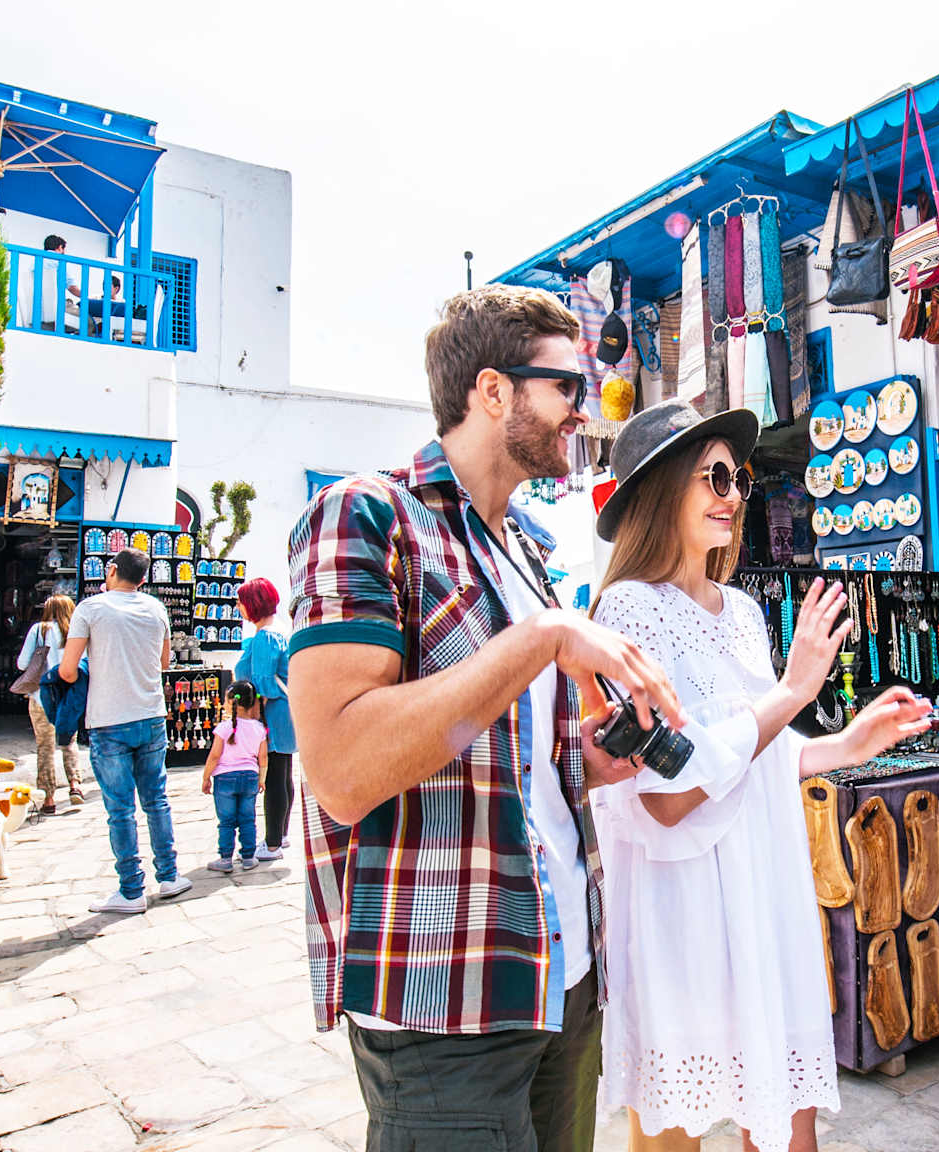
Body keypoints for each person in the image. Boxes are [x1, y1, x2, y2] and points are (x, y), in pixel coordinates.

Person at [287, 284, 684, 1152]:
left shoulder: (529, 553)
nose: (583, 412)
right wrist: (542, 636)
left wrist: (582, 761)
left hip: (563, 979)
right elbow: (343, 770)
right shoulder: (367, 514)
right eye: (567, 388)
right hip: (445, 1003)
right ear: (493, 392)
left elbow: (485, 752)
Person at [587, 403, 933, 1152]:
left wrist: (844, 743)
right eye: (712, 475)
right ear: (661, 489)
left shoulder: (742, 611)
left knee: (785, 1122)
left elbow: (754, 754)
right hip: (683, 909)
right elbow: (670, 795)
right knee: (672, 1132)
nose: (732, 493)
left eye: (736, 476)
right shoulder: (627, 610)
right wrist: (792, 693)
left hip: (764, 893)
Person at [61, 547, 191, 914]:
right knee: (156, 800)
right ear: (144, 579)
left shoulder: (91, 608)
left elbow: (68, 670)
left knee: (120, 810)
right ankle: (168, 876)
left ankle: (131, 890)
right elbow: (164, 662)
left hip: (109, 719)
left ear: (113, 570)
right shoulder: (156, 609)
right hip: (150, 714)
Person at [234, 577, 295, 859]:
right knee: (283, 774)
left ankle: (271, 843)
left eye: (241, 602)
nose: (238, 607)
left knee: (273, 776)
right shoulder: (280, 630)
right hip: (285, 712)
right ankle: (280, 836)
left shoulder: (264, 637)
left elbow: (263, 682)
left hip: (272, 713)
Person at [17, 594, 83, 815]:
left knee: (45, 747)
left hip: (40, 695)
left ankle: (48, 798)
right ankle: (75, 785)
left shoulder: (39, 630)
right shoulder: (75, 630)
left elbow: (22, 663)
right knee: (69, 741)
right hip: (68, 695)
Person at [201, 680, 268, 873]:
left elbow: (214, 756)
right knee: (248, 818)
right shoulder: (259, 728)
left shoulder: (223, 728)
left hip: (225, 779)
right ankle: (248, 856)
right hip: (249, 778)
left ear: (232, 702)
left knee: (227, 821)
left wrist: (206, 777)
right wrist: (261, 779)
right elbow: (262, 758)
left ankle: (225, 858)